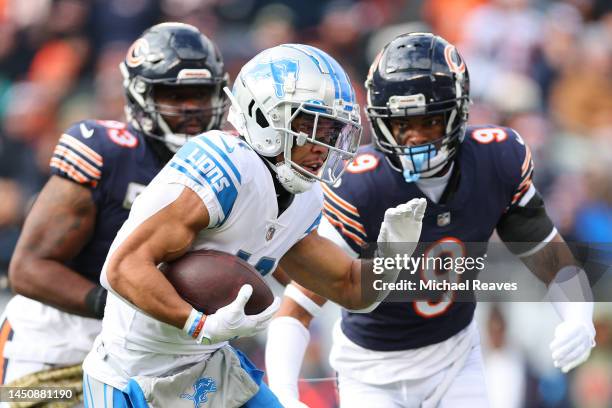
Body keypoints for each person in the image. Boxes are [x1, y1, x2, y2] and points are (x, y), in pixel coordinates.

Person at [80, 43, 426, 408]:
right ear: (264, 117)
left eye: (331, 132)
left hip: (209, 367)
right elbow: (122, 268)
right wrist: (200, 324)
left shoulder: (305, 196)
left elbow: (352, 289)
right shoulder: (226, 167)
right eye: (310, 125)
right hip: (131, 372)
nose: (322, 146)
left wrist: (393, 256)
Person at [265, 32, 596, 408]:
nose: (416, 139)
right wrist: (284, 396)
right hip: (371, 370)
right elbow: (299, 305)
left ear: (459, 112)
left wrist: (578, 316)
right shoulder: (361, 184)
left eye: (430, 122)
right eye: (403, 125)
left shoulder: (496, 159)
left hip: (455, 357)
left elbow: (548, 254)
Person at [2, 22, 229, 401]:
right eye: (176, 95)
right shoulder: (108, 153)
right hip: (57, 350)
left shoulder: (230, 166)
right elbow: (27, 269)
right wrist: (124, 305)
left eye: (202, 94)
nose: (192, 108)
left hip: (155, 353)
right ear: (141, 95)